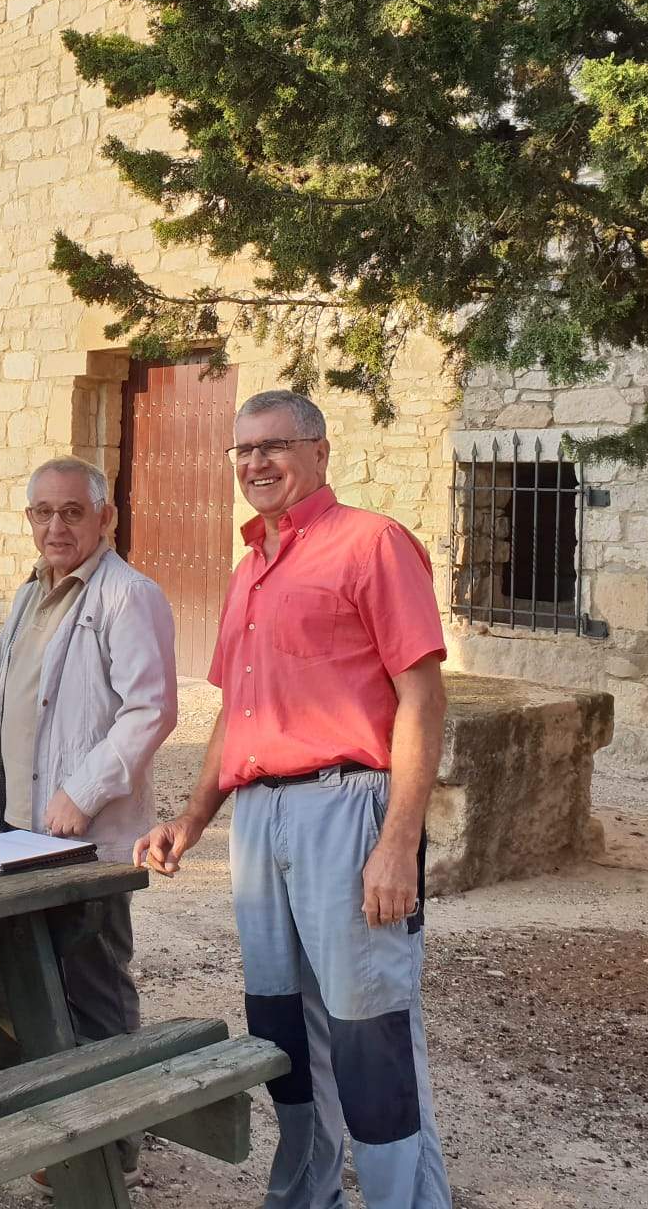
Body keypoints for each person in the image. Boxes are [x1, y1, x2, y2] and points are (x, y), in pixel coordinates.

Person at [135, 389, 452, 1209]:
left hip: (347, 811)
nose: (256, 463)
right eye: (242, 451)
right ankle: (306, 1195)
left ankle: (404, 1203)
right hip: (260, 819)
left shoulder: (373, 544)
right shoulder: (247, 569)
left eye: (274, 446)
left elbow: (421, 699)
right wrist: (193, 816)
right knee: (281, 1024)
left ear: (319, 451)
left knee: (369, 1026)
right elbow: (237, 719)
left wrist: (396, 841)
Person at [0, 454, 178, 1189]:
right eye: (42, 512)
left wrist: (82, 790)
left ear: (105, 518)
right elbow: (9, 707)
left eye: (71, 512)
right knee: (36, 980)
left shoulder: (129, 596)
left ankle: (111, 1145)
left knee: (93, 984)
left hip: (84, 838)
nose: (55, 526)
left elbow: (151, 709)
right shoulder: (28, 595)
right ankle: (58, 1131)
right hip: (19, 832)